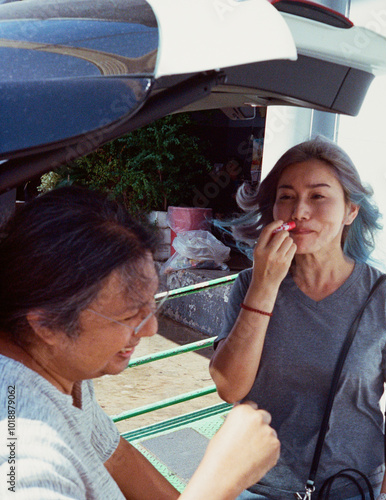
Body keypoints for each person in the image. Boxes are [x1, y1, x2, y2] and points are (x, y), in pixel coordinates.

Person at [0, 186, 280, 499]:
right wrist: (221, 481)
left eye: (153, 305)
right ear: (46, 323)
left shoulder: (65, 368)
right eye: (131, 314)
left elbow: (117, 457)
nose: (151, 329)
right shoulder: (24, 456)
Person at [209, 137, 386, 500]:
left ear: (350, 211)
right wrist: (265, 285)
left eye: (318, 196)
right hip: (254, 485)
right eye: (286, 197)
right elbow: (229, 387)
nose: (299, 211)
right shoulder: (249, 285)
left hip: (352, 488)